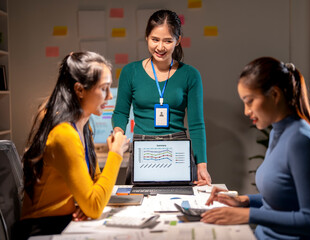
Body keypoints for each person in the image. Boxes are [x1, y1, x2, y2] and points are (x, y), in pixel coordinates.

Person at [201, 57, 310, 239]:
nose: (246, 111)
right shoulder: (278, 131)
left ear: (275, 95)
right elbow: (283, 200)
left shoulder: (301, 140)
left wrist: (247, 215)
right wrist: (244, 201)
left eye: (249, 101)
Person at [18, 51, 129, 239]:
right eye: (104, 89)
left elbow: (94, 185)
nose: (110, 96)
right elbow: (94, 206)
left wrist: (85, 204)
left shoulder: (84, 127)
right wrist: (115, 153)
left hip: (64, 222)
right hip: (42, 230)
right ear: (79, 90)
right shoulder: (64, 134)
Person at [112, 9, 211, 185]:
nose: (160, 47)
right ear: (146, 38)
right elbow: (121, 112)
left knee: (179, 202)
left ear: (178, 41)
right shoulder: (130, 72)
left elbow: (196, 124)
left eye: (168, 41)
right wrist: (118, 133)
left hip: (177, 151)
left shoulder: (190, 74)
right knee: (139, 207)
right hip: (142, 149)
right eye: (155, 40)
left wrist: (202, 165)